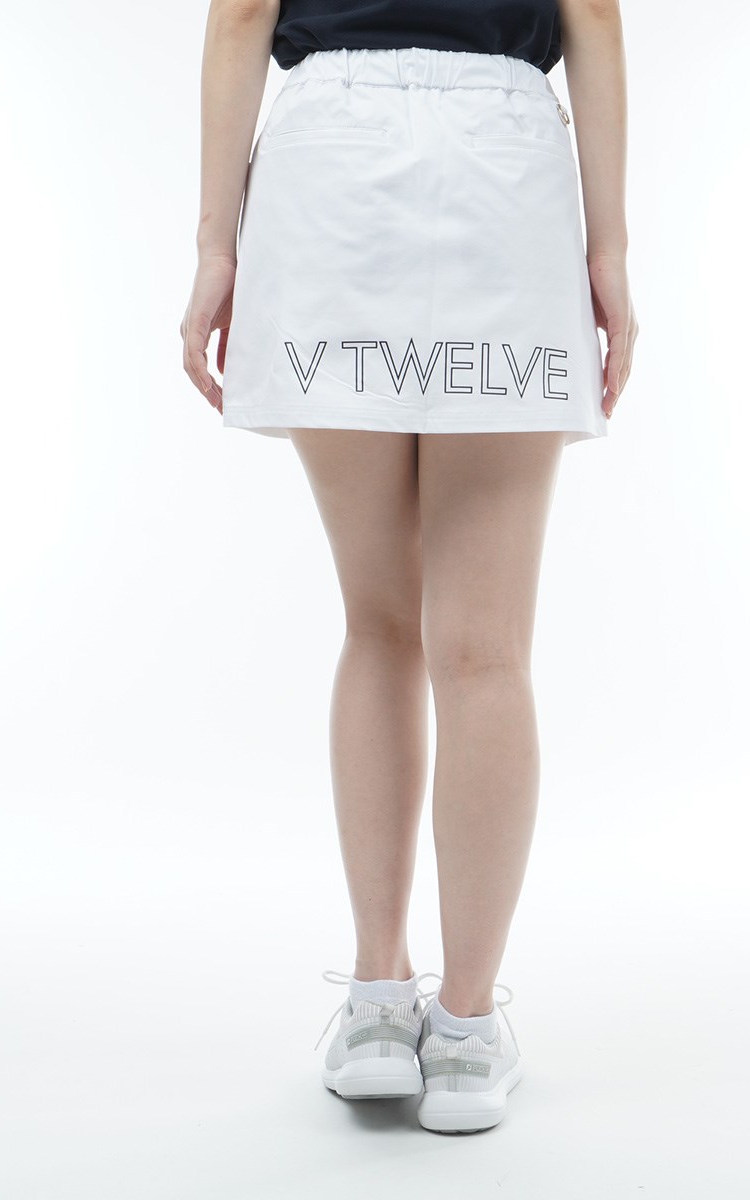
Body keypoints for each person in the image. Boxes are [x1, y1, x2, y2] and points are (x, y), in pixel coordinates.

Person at [180, 0, 637, 1134]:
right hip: (504, 162)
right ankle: (469, 1031)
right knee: (485, 651)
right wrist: (610, 251)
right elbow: (590, 12)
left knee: (378, 623)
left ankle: (381, 1006)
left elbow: (242, 15)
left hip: (332, 159)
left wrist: (215, 247)